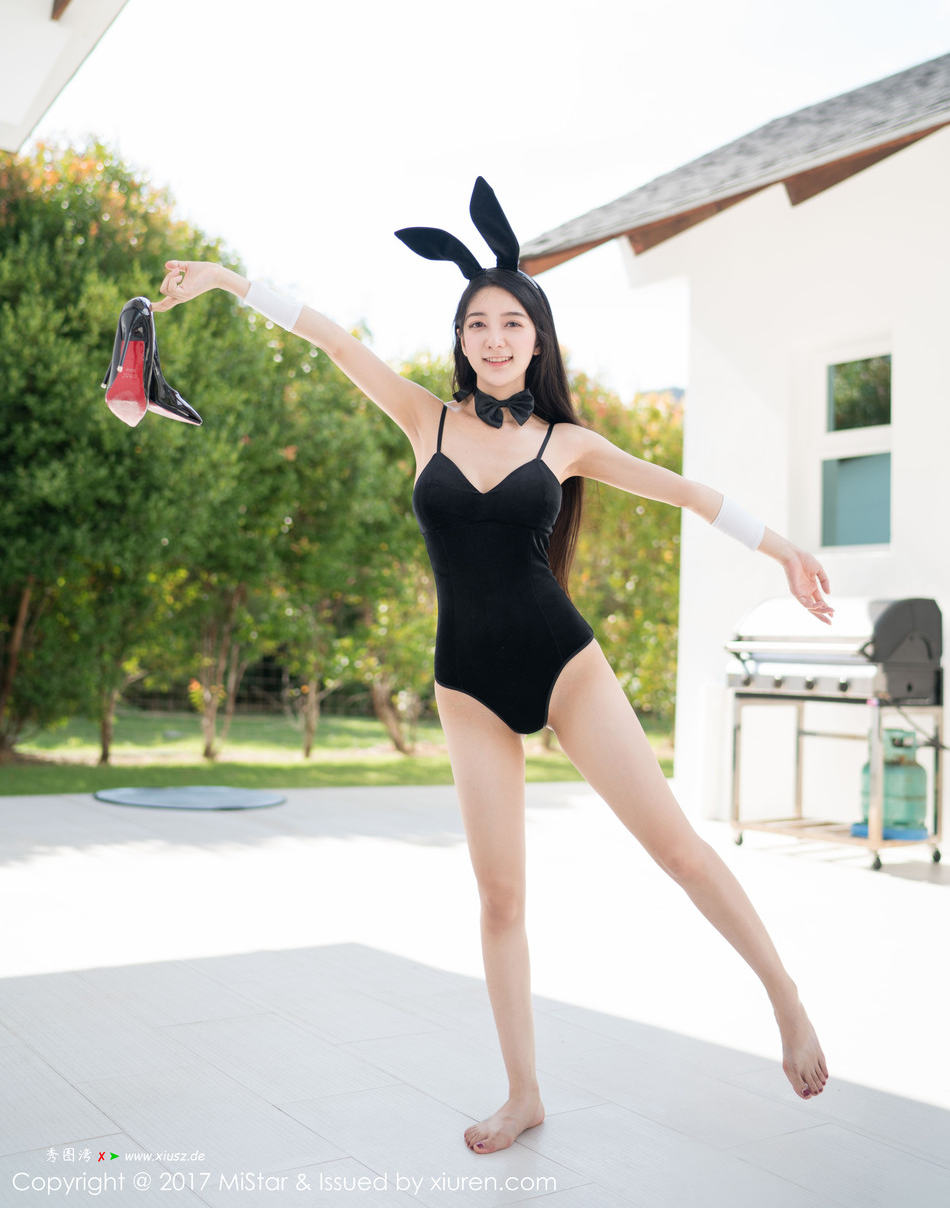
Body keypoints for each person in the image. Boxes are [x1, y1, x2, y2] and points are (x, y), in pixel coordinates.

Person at [152, 178, 830, 1156]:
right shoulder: (422, 417)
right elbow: (330, 337)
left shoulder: (566, 442)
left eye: (512, 322)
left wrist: (782, 549)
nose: (495, 337)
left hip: (564, 666)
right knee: (500, 897)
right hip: (466, 683)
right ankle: (523, 1093)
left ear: (536, 339)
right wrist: (224, 278)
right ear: (462, 340)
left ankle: (785, 998)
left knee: (677, 850)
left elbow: (686, 492)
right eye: (478, 323)